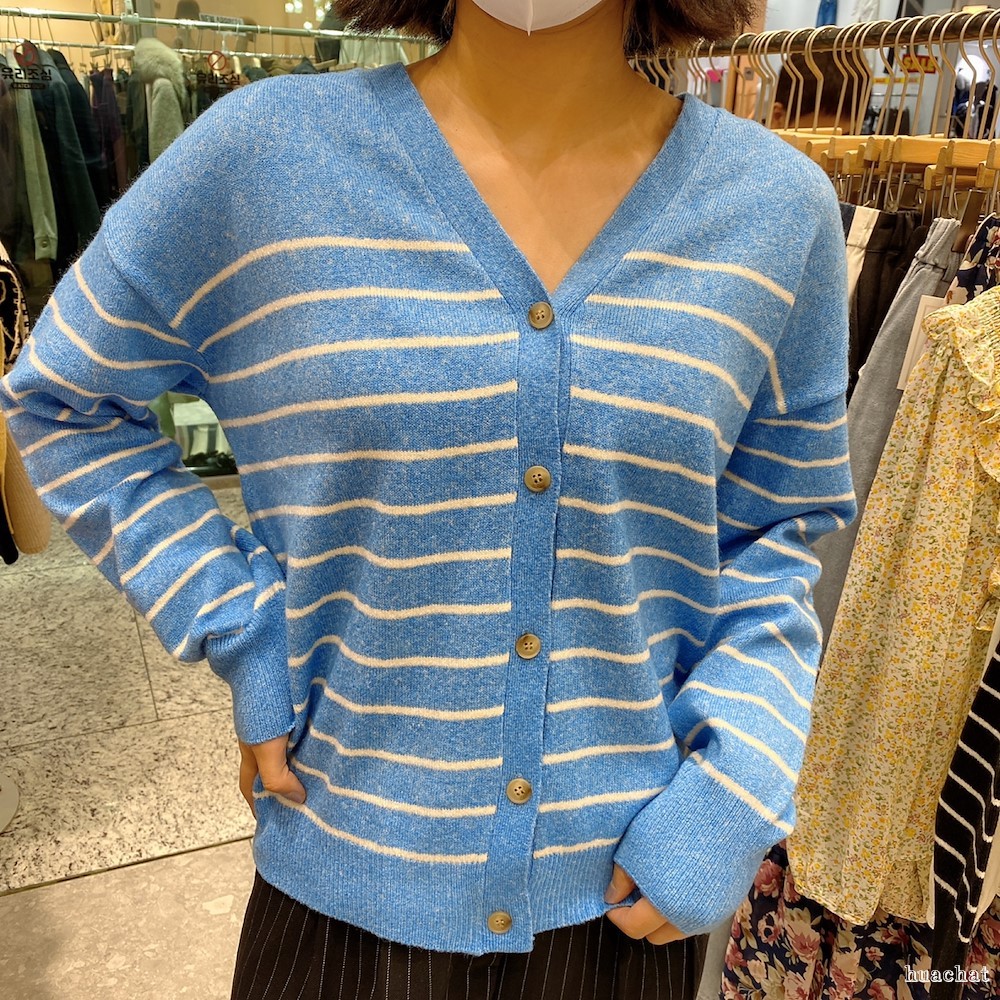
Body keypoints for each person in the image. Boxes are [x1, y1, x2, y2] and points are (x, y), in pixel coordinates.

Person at [0, 0, 857, 997]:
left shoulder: (776, 209)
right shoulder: (264, 157)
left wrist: (736, 784)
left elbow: (770, 537)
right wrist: (242, 626)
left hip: (620, 905)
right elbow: (64, 397)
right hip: (338, 897)